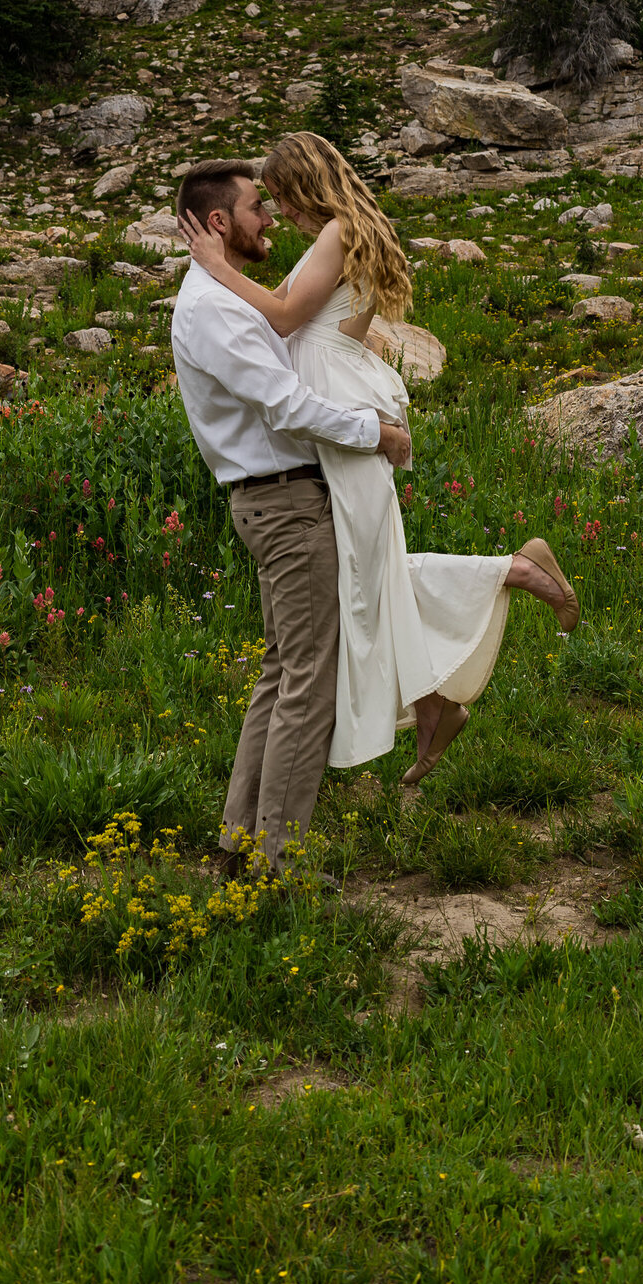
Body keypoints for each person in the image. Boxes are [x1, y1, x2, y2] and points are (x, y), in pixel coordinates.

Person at [179, 131, 579, 787]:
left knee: (366, 572)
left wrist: (219, 272)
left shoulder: (338, 231)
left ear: (306, 183)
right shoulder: (340, 232)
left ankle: (512, 579)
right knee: (366, 572)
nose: (277, 212)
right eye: (266, 201)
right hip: (340, 407)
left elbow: (282, 318)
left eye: (279, 196)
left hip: (342, 412)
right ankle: (436, 700)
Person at [169, 159, 414, 870]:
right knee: (308, 682)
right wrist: (379, 433)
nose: (269, 217)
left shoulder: (220, 296)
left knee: (284, 672)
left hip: (285, 496)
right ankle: (274, 862)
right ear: (220, 223)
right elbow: (284, 403)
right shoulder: (213, 307)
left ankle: (238, 845)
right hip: (284, 501)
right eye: (256, 207)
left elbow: (293, 347)